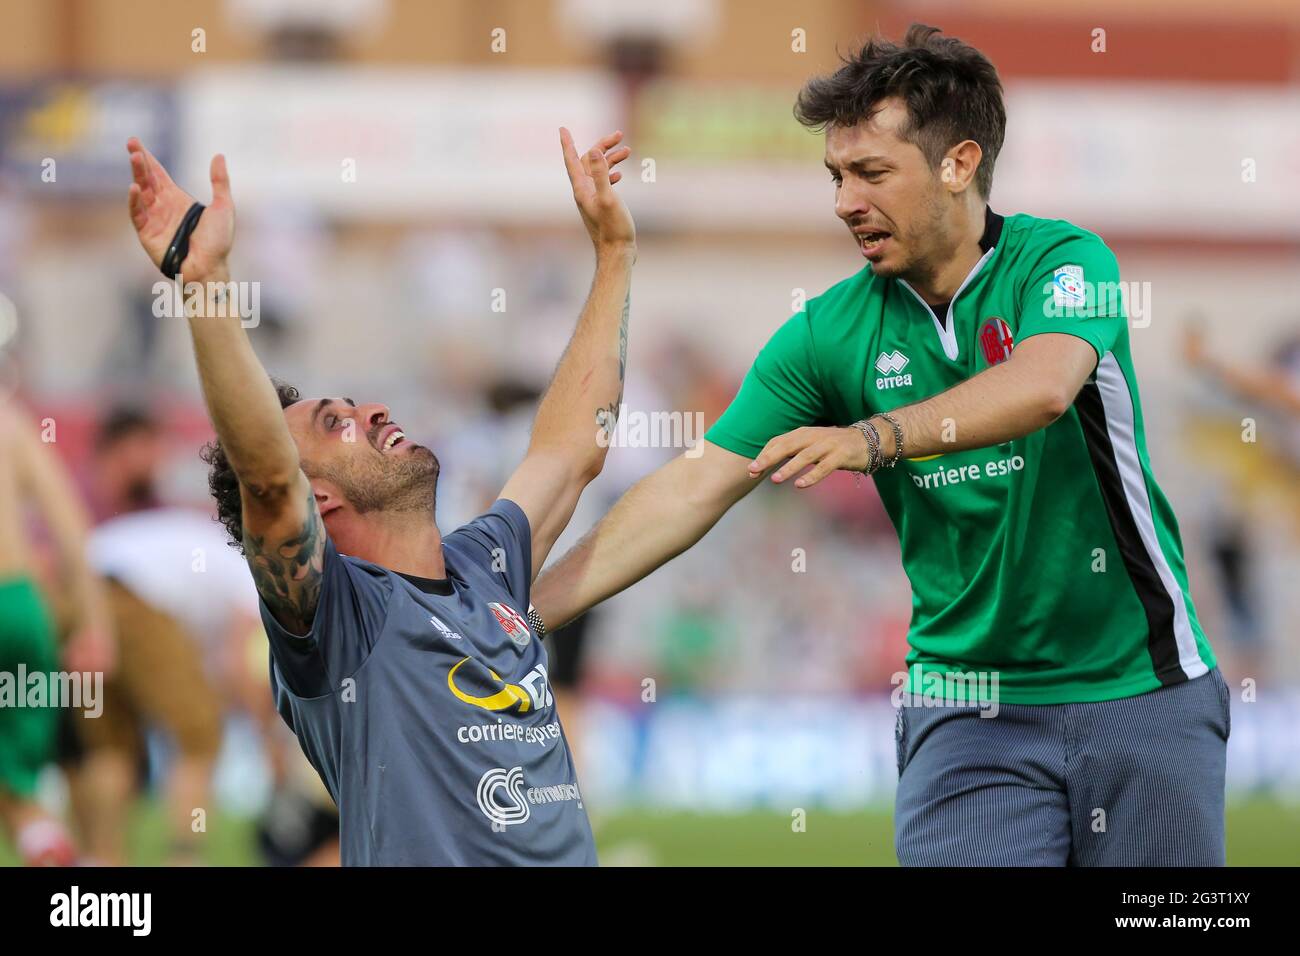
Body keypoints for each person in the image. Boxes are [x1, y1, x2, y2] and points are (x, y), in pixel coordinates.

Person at [532, 24, 1229, 867]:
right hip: (965, 707)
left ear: (958, 165)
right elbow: (693, 487)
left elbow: (1044, 387)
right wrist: (518, 620)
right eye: (835, 175)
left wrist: (877, 438)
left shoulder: (1062, 263)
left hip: (1143, 687)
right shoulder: (828, 332)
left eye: (870, 173)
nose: (843, 201)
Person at [124, 124, 636, 865]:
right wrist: (205, 283)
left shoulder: (485, 561)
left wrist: (615, 255)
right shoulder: (336, 621)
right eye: (337, 425)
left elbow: (568, 452)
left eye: (355, 407)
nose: (373, 413)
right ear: (316, 502)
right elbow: (266, 478)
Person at [0, 404, 113, 865]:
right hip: (17, 608)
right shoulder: (11, 425)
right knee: (19, 779)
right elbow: (70, 529)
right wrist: (95, 623)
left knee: (14, 783)